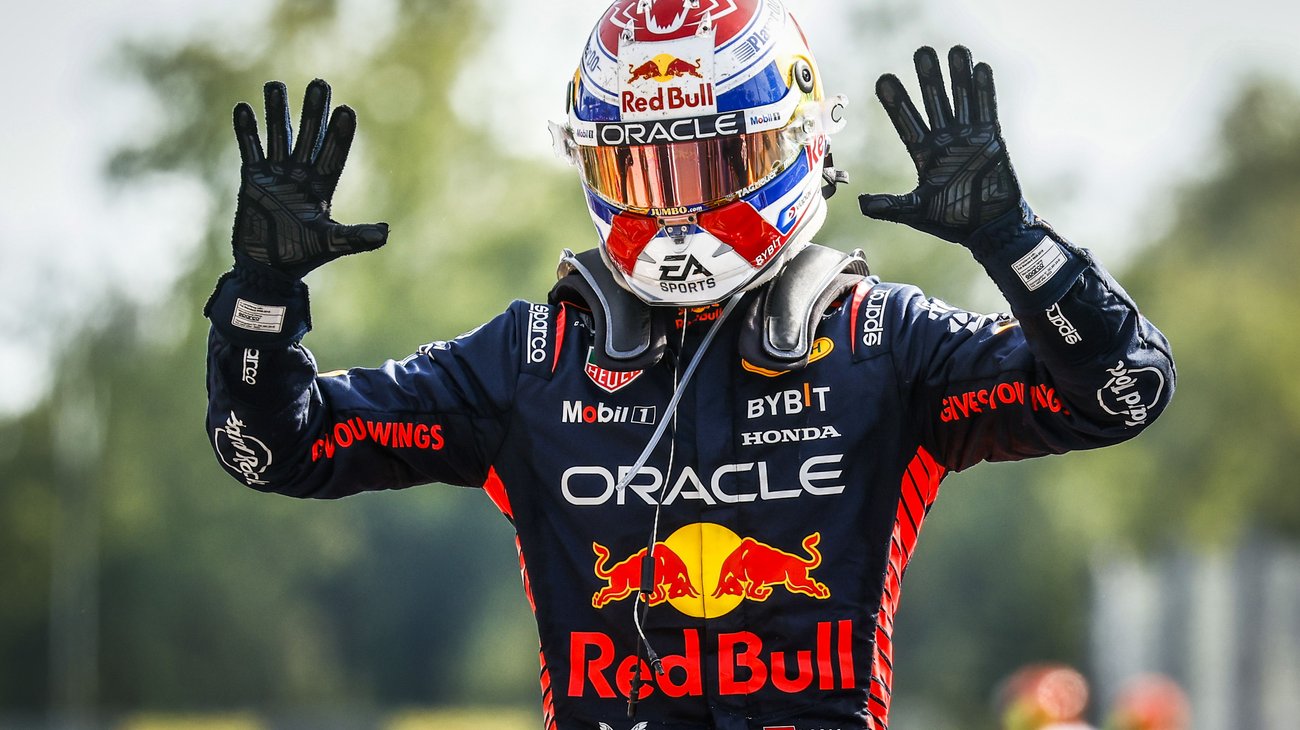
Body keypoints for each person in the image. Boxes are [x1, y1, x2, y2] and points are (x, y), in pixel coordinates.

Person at [203, 1, 1175, 728]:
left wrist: (1014, 240)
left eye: (707, 165)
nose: (673, 208)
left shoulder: (884, 342)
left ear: (794, 149)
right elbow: (276, 448)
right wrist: (260, 298)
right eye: (641, 168)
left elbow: (1121, 387)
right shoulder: (531, 359)